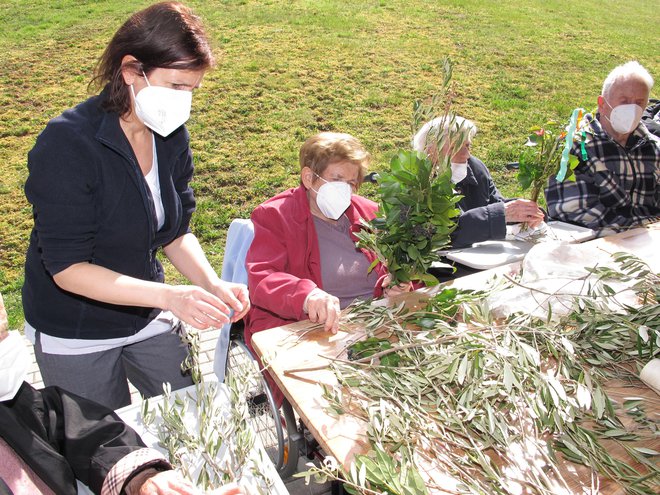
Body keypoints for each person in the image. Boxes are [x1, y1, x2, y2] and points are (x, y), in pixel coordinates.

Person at [21, 2, 249, 411]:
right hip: (75, 329)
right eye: (176, 87)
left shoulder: (168, 134)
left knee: (196, 417)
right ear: (130, 70)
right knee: (103, 449)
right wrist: (170, 297)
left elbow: (175, 232)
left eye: (192, 90)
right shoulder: (66, 145)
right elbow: (68, 269)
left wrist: (210, 285)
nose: (184, 102)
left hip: (147, 314)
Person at [0, 294, 243, 495]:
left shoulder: (16, 404)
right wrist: (169, 297)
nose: (6, 340)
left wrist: (140, 479)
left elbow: (76, 429)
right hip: (74, 332)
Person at [244, 132, 411, 354]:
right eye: (336, 180)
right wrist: (306, 295)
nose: (345, 190)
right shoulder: (276, 216)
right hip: (310, 334)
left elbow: (395, 266)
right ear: (308, 178)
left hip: (374, 326)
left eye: (351, 183)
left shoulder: (370, 213)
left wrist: (398, 285)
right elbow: (262, 277)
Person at [545, 61, 660, 232]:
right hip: (597, 245)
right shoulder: (574, 147)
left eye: (638, 102)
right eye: (624, 101)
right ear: (602, 103)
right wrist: (641, 230)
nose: (632, 109)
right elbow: (574, 213)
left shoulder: (653, 147)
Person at [412, 116, 545, 249]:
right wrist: (501, 214)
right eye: (455, 147)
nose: (466, 155)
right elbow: (447, 234)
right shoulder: (417, 183)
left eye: (467, 145)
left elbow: (495, 204)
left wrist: (525, 213)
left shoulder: (474, 168)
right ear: (431, 151)